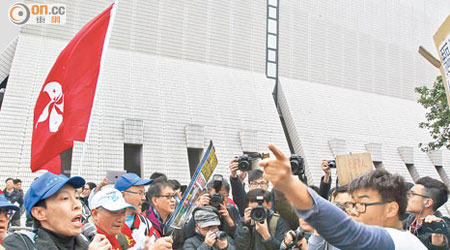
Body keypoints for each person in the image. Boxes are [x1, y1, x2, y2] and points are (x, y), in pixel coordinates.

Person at [259, 144, 427, 250]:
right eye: (350, 205)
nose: (352, 212)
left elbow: (347, 231)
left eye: (361, 205)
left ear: (391, 209)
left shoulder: (400, 242)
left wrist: (290, 185)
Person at [2, 172, 112, 250]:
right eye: (65, 198)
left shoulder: (90, 242)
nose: (77, 205)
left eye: (77, 197)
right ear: (39, 213)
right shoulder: (18, 244)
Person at [229, 161, 299, 230]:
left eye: (262, 183)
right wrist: (234, 176)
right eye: (255, 184)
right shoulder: (247, 202)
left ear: (267, 185)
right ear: (249, 186)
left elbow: (279, 193)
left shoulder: (272, 200)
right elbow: (238, 195)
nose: (259, 187)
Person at [115, 173, 173, 250]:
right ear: (122, 195)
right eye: (139, 193)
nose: (143, 198)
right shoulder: (107, 223)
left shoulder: (145, 223)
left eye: (144, 193)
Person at [185, 175, 241, 239]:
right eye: (214, 197)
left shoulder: (231, 209)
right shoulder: (200, 210)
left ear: (228, 195)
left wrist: (229, 221)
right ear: (208, 195)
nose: (218, 200)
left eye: (222, 196)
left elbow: (240, 239)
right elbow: (187, 234)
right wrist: (199, 209)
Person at [403, 176, 450, 249]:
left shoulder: (442, 226)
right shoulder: (408, 222)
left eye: (412, 194)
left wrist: (438, 241)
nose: (407, 197)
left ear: (427, 202)